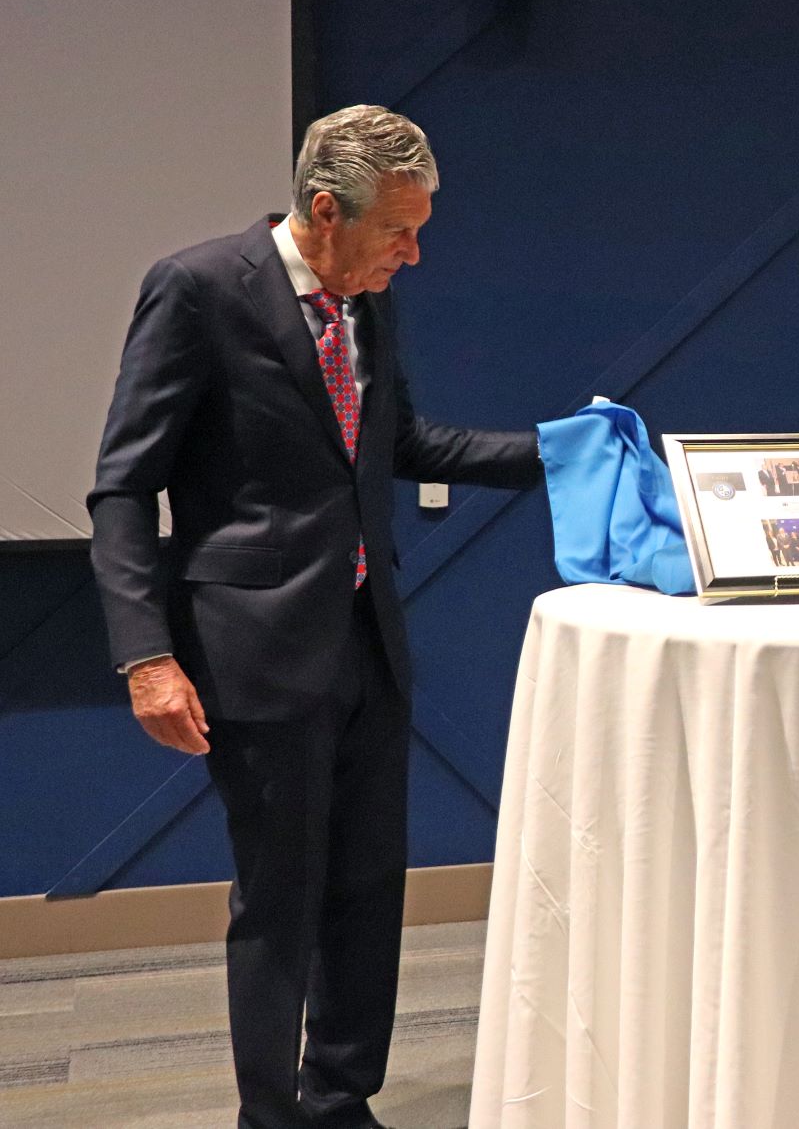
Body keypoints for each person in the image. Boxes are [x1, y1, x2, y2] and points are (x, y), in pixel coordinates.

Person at [88, 105, 545, 1129]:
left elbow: (402, 442)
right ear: (326, 211)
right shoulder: (200, 289)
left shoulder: (363, 294)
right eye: (400, 231)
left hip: (366, 641)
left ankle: (340, 1097)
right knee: (281, 896)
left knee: (367, 887)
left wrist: (556, 450)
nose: (413, 255)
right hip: (251, 648)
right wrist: (145, 656)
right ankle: (271, 1113)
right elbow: (124, 487)